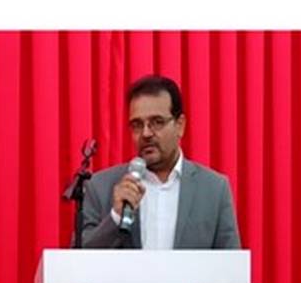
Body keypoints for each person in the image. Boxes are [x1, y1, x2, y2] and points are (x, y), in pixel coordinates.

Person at [78, 75, 241, 250]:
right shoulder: (101, 187)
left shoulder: (214, 189)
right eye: (137, 124)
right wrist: (116, 217)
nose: (146, 133)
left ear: (180, 125)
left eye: (157, 122)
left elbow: (230, 264)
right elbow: (79, 260)